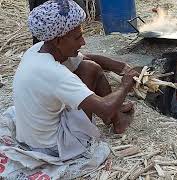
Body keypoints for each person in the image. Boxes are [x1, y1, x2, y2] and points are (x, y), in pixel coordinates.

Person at [13, 0, 138, 160]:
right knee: (93, 74)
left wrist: (121, 67)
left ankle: (116, 114)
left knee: (89, 66)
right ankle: (116, 117)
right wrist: (126, 84)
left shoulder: (37, 51)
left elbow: (84, 57)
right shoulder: (54, 73)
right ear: (58, 41)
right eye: (78, 37)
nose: (83, 42)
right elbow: (104, 107)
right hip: (53, 146)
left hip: (34, 137)